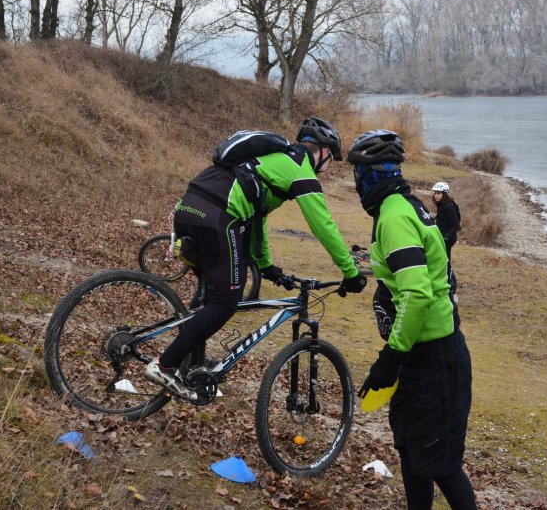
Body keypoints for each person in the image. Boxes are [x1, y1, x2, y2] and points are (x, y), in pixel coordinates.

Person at [145, 117, 367, 400]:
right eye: (331, 158)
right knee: (225, 303)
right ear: (322, 150)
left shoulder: (272, 160)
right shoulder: (299, 170)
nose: (328, 166)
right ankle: (165, 365)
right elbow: (323, 225)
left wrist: (266, 266)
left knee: (207, 296)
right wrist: (350, 271)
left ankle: (193, 368)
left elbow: (256, 217)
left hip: (190, 206)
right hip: (218, 216)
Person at [350, 130, 475, 510]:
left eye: (358, 174)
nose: (356, 184)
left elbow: (417, 293)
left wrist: (391, 356)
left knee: (441, 465)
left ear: (369, 177)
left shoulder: (395, 216)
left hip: (434, 357)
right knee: (411, 452)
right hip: (421, 357)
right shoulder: (405, 206)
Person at [432, 181, 461, 261]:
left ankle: (447, 272)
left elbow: (455, 225)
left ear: (444, 194)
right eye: (435, 193)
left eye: (438, 193)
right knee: (440, 258)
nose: (436, 196)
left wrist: (446, 237)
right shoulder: (441, 204)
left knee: (444, 259)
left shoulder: (449, 207)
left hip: (448, 238)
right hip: (441, 235)